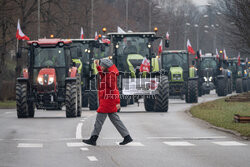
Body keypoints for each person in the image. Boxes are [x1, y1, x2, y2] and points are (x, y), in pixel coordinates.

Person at [82, 58, 133, 146]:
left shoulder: (110, 76)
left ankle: (93, 139)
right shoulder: (108, 74)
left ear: (106, 67)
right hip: (107, 101)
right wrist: (97, 66)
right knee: (116, 121)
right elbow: (102, 75)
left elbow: (114, 90)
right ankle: (127, 137)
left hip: (107, 102)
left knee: (99, 121)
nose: (101, 67)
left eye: (102, 66)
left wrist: (117, 102)